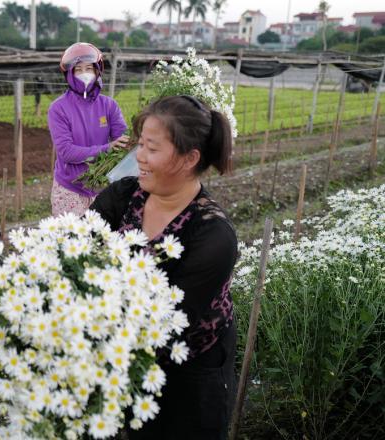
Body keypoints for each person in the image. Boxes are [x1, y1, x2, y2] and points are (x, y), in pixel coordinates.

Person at [90, 95, 238, 439]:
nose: (139, 156)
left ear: (190, 159)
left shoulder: (212, 235)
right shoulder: (123, 196)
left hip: (190, 369)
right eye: (140, 144)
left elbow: (168, 321)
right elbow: (75, 250)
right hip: (121, 350)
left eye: (152, 149)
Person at [48, 42, 129, 217]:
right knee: (71, 240)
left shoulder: (109, 105)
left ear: (97, 71)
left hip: (102, 187)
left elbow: (122, 140)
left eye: (89, 68)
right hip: (70, 188)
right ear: (69, 74)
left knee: (101, 240)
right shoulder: (58, 108)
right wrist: (107, 149)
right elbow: (66, 152)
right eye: (78, 70)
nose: (85, 74)